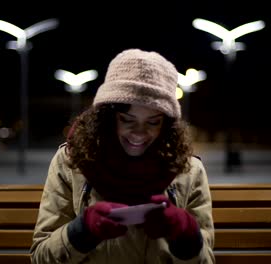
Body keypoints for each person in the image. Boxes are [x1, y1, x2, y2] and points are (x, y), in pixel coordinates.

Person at [30, 48, 215, 263]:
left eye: (153, 121)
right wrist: (81, 231)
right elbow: (40, 257)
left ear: (167, 125)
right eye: (127, 119)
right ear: (108, 117)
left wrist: (186, 234)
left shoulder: (188, 169)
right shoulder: (71, 162)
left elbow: (206, 260)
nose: (139, 132)